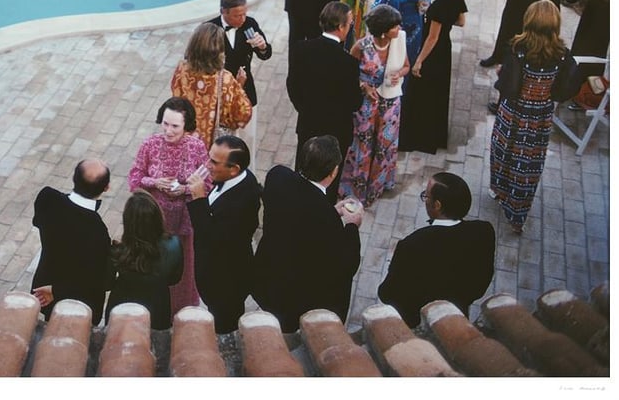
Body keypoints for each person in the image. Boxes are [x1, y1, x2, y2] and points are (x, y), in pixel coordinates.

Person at [252, 135, 363, 333]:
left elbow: (300, 205)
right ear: (333, 172)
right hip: (295, 296)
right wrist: (352, 226)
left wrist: (330, 210)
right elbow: (347, 264)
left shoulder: (277, 176)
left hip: (268, 277)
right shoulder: (326, 218)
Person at [490, 0, 581, 234]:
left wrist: (502, 73)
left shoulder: (518, 49)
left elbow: (508, 86)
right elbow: (565, 89)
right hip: (539, 117)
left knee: (504, 152)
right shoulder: (562, 54)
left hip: (513, 113)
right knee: (528, 165)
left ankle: (500, 190)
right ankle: (517, 216)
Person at [378, 172, 495, 327]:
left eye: (426, 197)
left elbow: (388, 294)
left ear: (437, 205)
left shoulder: (412, 245)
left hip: (418, 324)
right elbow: (481, 281)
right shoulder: (484, 231)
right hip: (457, 316)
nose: (425, 200)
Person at [128, 97, 210, 315]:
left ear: (186, 125)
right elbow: (135, 179)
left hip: (185, 223)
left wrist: (184, 190)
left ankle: (183, 313)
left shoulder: (197, 147)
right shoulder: (149, 145)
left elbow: (208, 184)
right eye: (165, 123)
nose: (168, 130)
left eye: (175, 126)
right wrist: (155, 182)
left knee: (184, 271)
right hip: (154, 224)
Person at [286, 2, 363, 200]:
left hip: (308, 125)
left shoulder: (300, 49)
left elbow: (292, 87)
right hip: (336, 132)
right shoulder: (348, 63)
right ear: (341, 27)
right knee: (328, 184)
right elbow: (355, 102)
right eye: (350, 24)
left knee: (303, 172)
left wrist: (305, 109)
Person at [187, 135, 262, 334]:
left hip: (226, 283)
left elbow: (211, 238)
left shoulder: (241, 203)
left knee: (223, 329)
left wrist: (198, 200)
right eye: (209, 157)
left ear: (234, 169)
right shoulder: (238, 178)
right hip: (218, 273)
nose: (207, 165)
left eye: (214, 162)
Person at [31, 158, 114, 325]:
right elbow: (100, 280)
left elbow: (37, 221)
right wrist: (57, 291)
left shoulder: (47, 198)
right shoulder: (98, 232)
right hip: (79, 300)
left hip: (46, 283)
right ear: (106, 188)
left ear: (74, 178)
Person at [341, 4, 408, 207]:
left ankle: (377, 186)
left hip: (391, 103)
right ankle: (356, 190)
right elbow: (349, 73)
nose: (399, 29)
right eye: (395, 26)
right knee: (362, 145)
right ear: (383, 30)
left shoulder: (399, 41)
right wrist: (363, 86)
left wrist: (399, 74)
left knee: (384, 146)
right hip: (366, 105)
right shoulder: (361, 47)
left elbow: (407, 66)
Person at [400, 0, 468, 153]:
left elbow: (432, 38)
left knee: (423, 93)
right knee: (437, 93)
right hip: (444, 49)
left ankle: (419, 137)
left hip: (433, 52)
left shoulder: (438, 8)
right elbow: (461, 21)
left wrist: (418, 62)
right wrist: (446, 20)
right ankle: (435, 135)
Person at [105, 191, 182, 329]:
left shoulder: (117, 250)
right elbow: (174, 279)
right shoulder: (174, 244)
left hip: (122, 306)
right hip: (157, 306)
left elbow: (108, 284)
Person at [170, 22, 252, 143]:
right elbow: (241, 115)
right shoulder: (225, 79)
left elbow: (176, 98)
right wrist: (239, 86)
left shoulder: (181, 69)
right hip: (212, 147)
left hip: (185, 141)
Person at [208, 0, 272, 109]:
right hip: (217, 94)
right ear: (223, 11)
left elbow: (265, 55)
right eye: (237, 16)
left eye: (244, 14)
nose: (242, 19)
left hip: (246, 92)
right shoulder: (208, 30)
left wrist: (263, 47)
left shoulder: (249, 24)